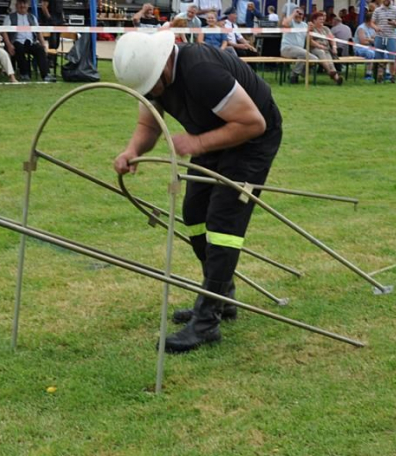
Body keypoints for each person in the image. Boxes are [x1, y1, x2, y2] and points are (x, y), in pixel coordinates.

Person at [112, 32, 283, 353]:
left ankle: (207, 321)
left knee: (223, 223)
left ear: (164, 67)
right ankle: (221, 296)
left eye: (152, 86)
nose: (149, 94)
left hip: (251, 140)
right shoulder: (151, 78)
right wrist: (130, 151)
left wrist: (196, 144)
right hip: (212, 134)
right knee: (194, 214)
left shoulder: (201, 70)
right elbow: (149, 126)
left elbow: (253, 123)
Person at [3, 0, 54, 82]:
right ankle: (24, 74)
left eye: (24, 3)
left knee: (40, 49)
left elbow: (38, 32)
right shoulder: (9, 17)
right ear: (16, 5)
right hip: (16, 41)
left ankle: (46, 75)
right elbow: (4, 32)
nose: (22, 5)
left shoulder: (32, 17)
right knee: (19, 48)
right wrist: (9, 45)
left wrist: (43, 44)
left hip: (30, 42)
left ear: (28, 5)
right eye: (20, 3)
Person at [280, 7, 314, 84]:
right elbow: (284, 24)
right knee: (313, 58)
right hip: (287, 49)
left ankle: (294, 75)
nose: (299, 15)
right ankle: (301, 73)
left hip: (299, 51)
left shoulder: (305, 25)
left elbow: (309, 40)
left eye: (301, 14)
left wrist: (311, 30)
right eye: (297, 13)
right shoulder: (291, 21)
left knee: (304, 56)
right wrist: (293, 14)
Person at [371, 0, 396, 82]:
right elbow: (372, 23)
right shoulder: (377, 10)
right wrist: (376, 27)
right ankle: (380, 75)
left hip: (391, 36)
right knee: (379, 57)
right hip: (379, 36)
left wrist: (394, 23)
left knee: (392, 58)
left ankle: (392, 76)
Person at [308, 11, 343, 84]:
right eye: (320, 19)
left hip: (326, 48)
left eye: (323, 19)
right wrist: (319, 46)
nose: (322, 20)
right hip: (314, 49)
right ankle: (330, 72)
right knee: (321, 52)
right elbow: (310, 41)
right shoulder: (311, 29)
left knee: (330, 61)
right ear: (314, 20)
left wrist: (334, 47)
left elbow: (332, 39)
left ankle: (337, 79)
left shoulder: (326, 29)